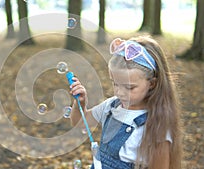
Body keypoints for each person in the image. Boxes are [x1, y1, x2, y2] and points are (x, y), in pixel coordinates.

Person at [69, 36, 182, 169]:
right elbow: (81, 124)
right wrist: (80, 104)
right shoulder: (111, 106)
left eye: (129, 87)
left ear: (152, 83)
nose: (119, 92)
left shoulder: (156, 125)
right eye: (115, 84)